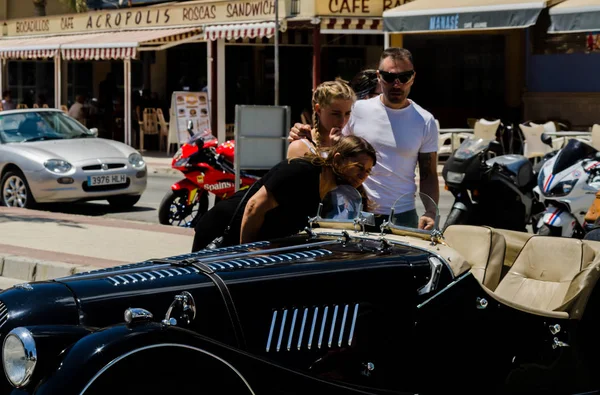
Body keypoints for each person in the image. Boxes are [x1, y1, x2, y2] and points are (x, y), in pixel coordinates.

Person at [289, 48, 439, 230]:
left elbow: (429, 174)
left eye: (404, 77)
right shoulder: (357, 110)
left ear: (413, 77)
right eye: (389, 77)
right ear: (379, 76)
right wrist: (303, 132)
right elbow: (328, 140)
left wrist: (431, 211)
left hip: (402, 215)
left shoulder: (424, 120)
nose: (397, 84)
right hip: (355, 211)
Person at [191, 135, 377, 252]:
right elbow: (254, 207)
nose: (363, 176)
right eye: (359, 167)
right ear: (338, 159)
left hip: (252, 242)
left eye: (368, 171)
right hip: (221, 231)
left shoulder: (334, 193)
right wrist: (247, 252)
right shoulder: (301, 171)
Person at [287, 80, 355, 159]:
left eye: (347, 113)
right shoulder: (301, 145)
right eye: (336, 114)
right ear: (319, 109)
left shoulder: (350, 141)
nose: (342, 121)